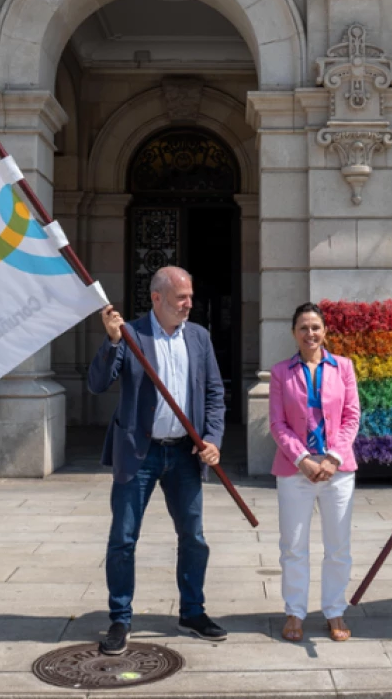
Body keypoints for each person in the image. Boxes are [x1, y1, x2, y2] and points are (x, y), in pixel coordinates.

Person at [88, 265, 227, 655]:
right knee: (124, 539)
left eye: (190, 296)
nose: (189, 304)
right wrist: (113, 341)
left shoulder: (198, 337)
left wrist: (212, 440)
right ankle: (120, 618)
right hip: (139, 453)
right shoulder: (132, 334)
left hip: (184, 452)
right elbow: (98, 384)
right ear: (157, 298)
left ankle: (193, 611)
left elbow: (214, 394)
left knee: (194, 537)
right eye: (182, 297)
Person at [269, 302, 361, 643]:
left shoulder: (344, 368)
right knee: (293, 545)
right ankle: (295, 611)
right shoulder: (281, 372)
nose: (311, 333)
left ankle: (335, 610)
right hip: (295, 471)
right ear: (294, 333)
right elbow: (278, 424)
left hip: (338, 470)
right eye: (304, 327)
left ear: (325, 331)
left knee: (338, 546)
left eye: (316, 327)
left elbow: (352, 416)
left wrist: (333, 458)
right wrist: (303, 459)